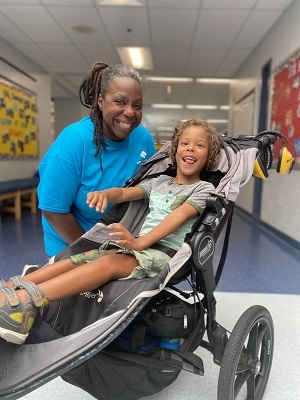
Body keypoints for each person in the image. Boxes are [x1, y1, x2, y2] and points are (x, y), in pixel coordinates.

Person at [0, 118, 221, 345]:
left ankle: (25, 302)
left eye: (200, 145)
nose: (191, 148)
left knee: (108, 264)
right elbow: (125, 194)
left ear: (209, 156)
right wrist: (105, 194)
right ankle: (11, 288)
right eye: (185, 143)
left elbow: (177, 216)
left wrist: (139, 243)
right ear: (175, 151)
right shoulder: (160, 182)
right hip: (135, 248)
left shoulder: (204, 189)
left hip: (162, 254)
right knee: (81, 258)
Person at [37, 62, 156, 258]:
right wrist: (91, 251)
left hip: (118, 242)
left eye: (137, 105)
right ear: (101, 102)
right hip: (71, 243)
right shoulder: (74, 141)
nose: (129, 112)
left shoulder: (143, 139)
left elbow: (149, 192)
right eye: (120, 102)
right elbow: (53, 210)